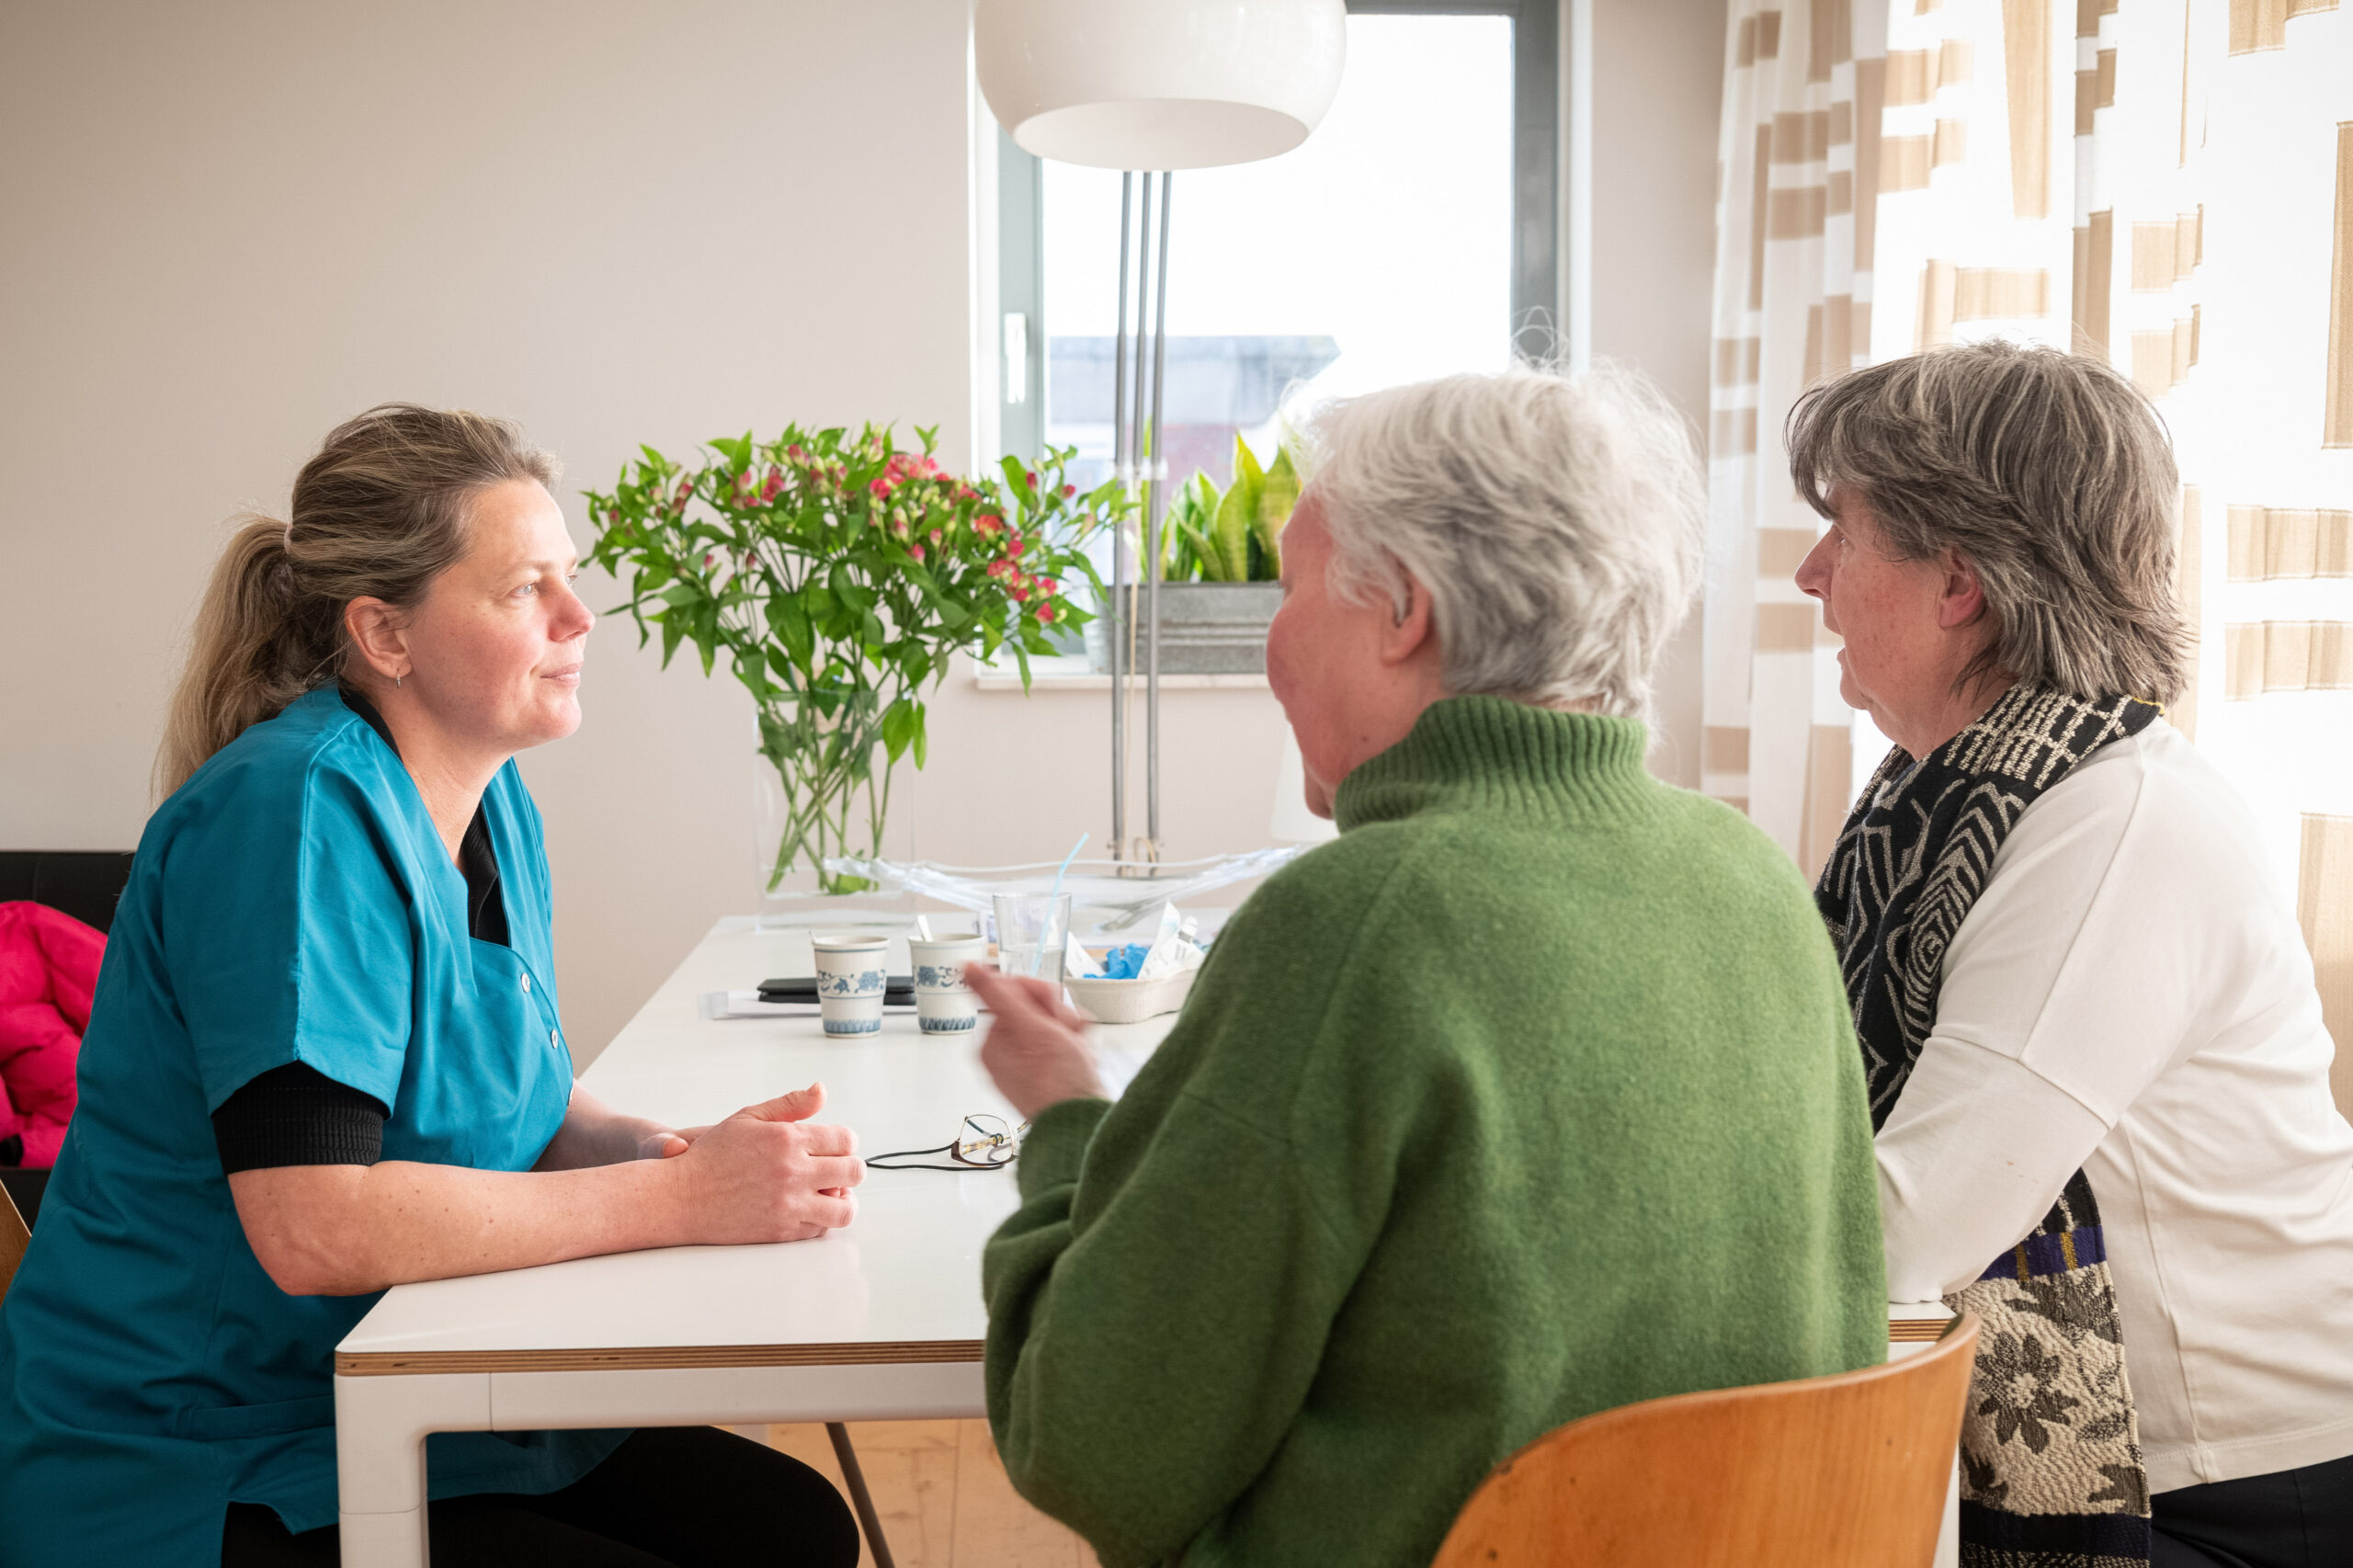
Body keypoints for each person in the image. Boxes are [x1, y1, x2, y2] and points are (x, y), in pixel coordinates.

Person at [963, 364, 1889, 1568]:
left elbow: (1091, 1440)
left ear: (1402, 610)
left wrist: (1067, 1123)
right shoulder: (1753, 877)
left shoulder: (1355, 917)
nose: (1269, 646)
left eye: (1287, 590)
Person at [0, 405, 866, 1568]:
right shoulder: (293, 811)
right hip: (201, 1451)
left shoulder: (490, 801)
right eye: (523, 590)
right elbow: (315, 1222)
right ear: (384, 634)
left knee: (788, 1528)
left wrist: (680, 1153)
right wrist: (681, 1201)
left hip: (406, 1382)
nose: (578, 618)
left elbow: (517, 1108)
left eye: (571, 578)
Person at [1790, 341, 2353, 1567]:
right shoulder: (1937, 798)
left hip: (2242, 1493)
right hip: (2116, 1454)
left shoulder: (2115, 822)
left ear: (1960, 579)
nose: (1810, 571)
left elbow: (1906, 1224)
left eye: (1844, 528)